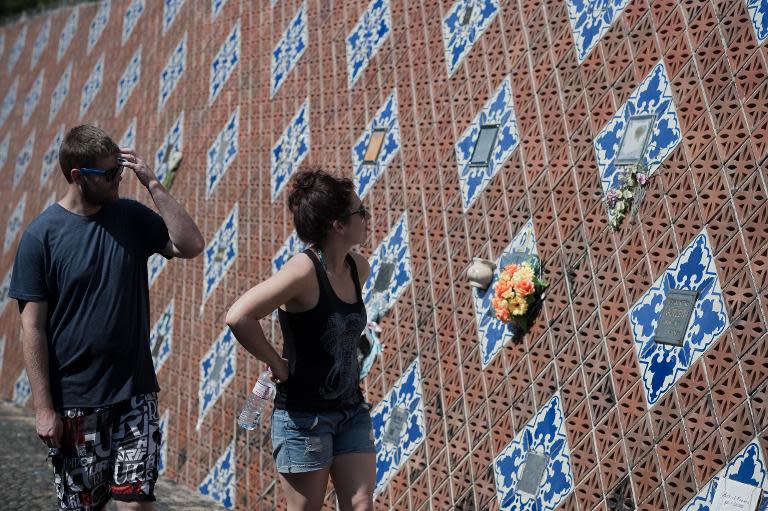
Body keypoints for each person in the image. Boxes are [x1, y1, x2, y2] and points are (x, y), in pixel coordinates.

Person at [9, 125, 205, 511]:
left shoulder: (129, 217)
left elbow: (190, 245)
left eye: (120, 170)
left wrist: (152, 182)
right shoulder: (41, 237)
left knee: (134, 504)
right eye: (110, 174)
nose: (119, 180)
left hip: (134, 393)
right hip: (76, 403)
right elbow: (31, 328)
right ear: (78, 176)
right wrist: (44, 408)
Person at [226, 168, 375, 510]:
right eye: (360, 212)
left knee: (361, 504)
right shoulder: (303, 272)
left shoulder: (358, 269)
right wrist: (277, 363)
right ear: (338, 225)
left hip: (350, 408)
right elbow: (238, 316)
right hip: (305, 419)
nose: (367, 218)